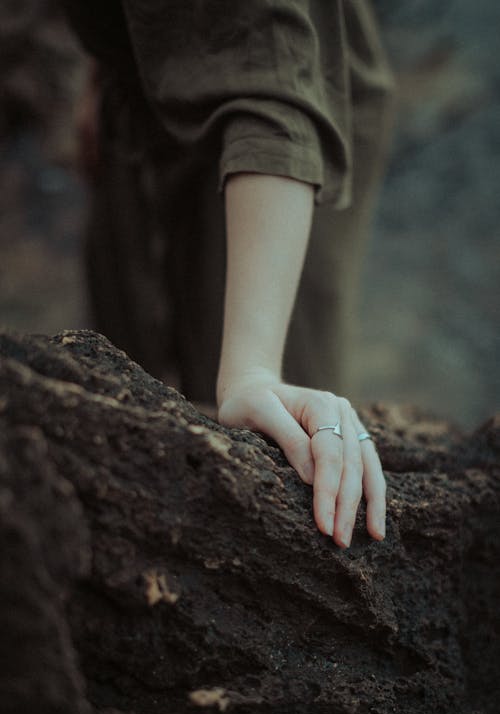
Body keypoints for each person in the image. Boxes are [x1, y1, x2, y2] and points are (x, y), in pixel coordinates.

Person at [65, 0, 396, 549]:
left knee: (273, 421)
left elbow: (273, 90)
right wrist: (104, 62)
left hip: (283, 134)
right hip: (143, 92)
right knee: (132, 373)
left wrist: (253, 371)